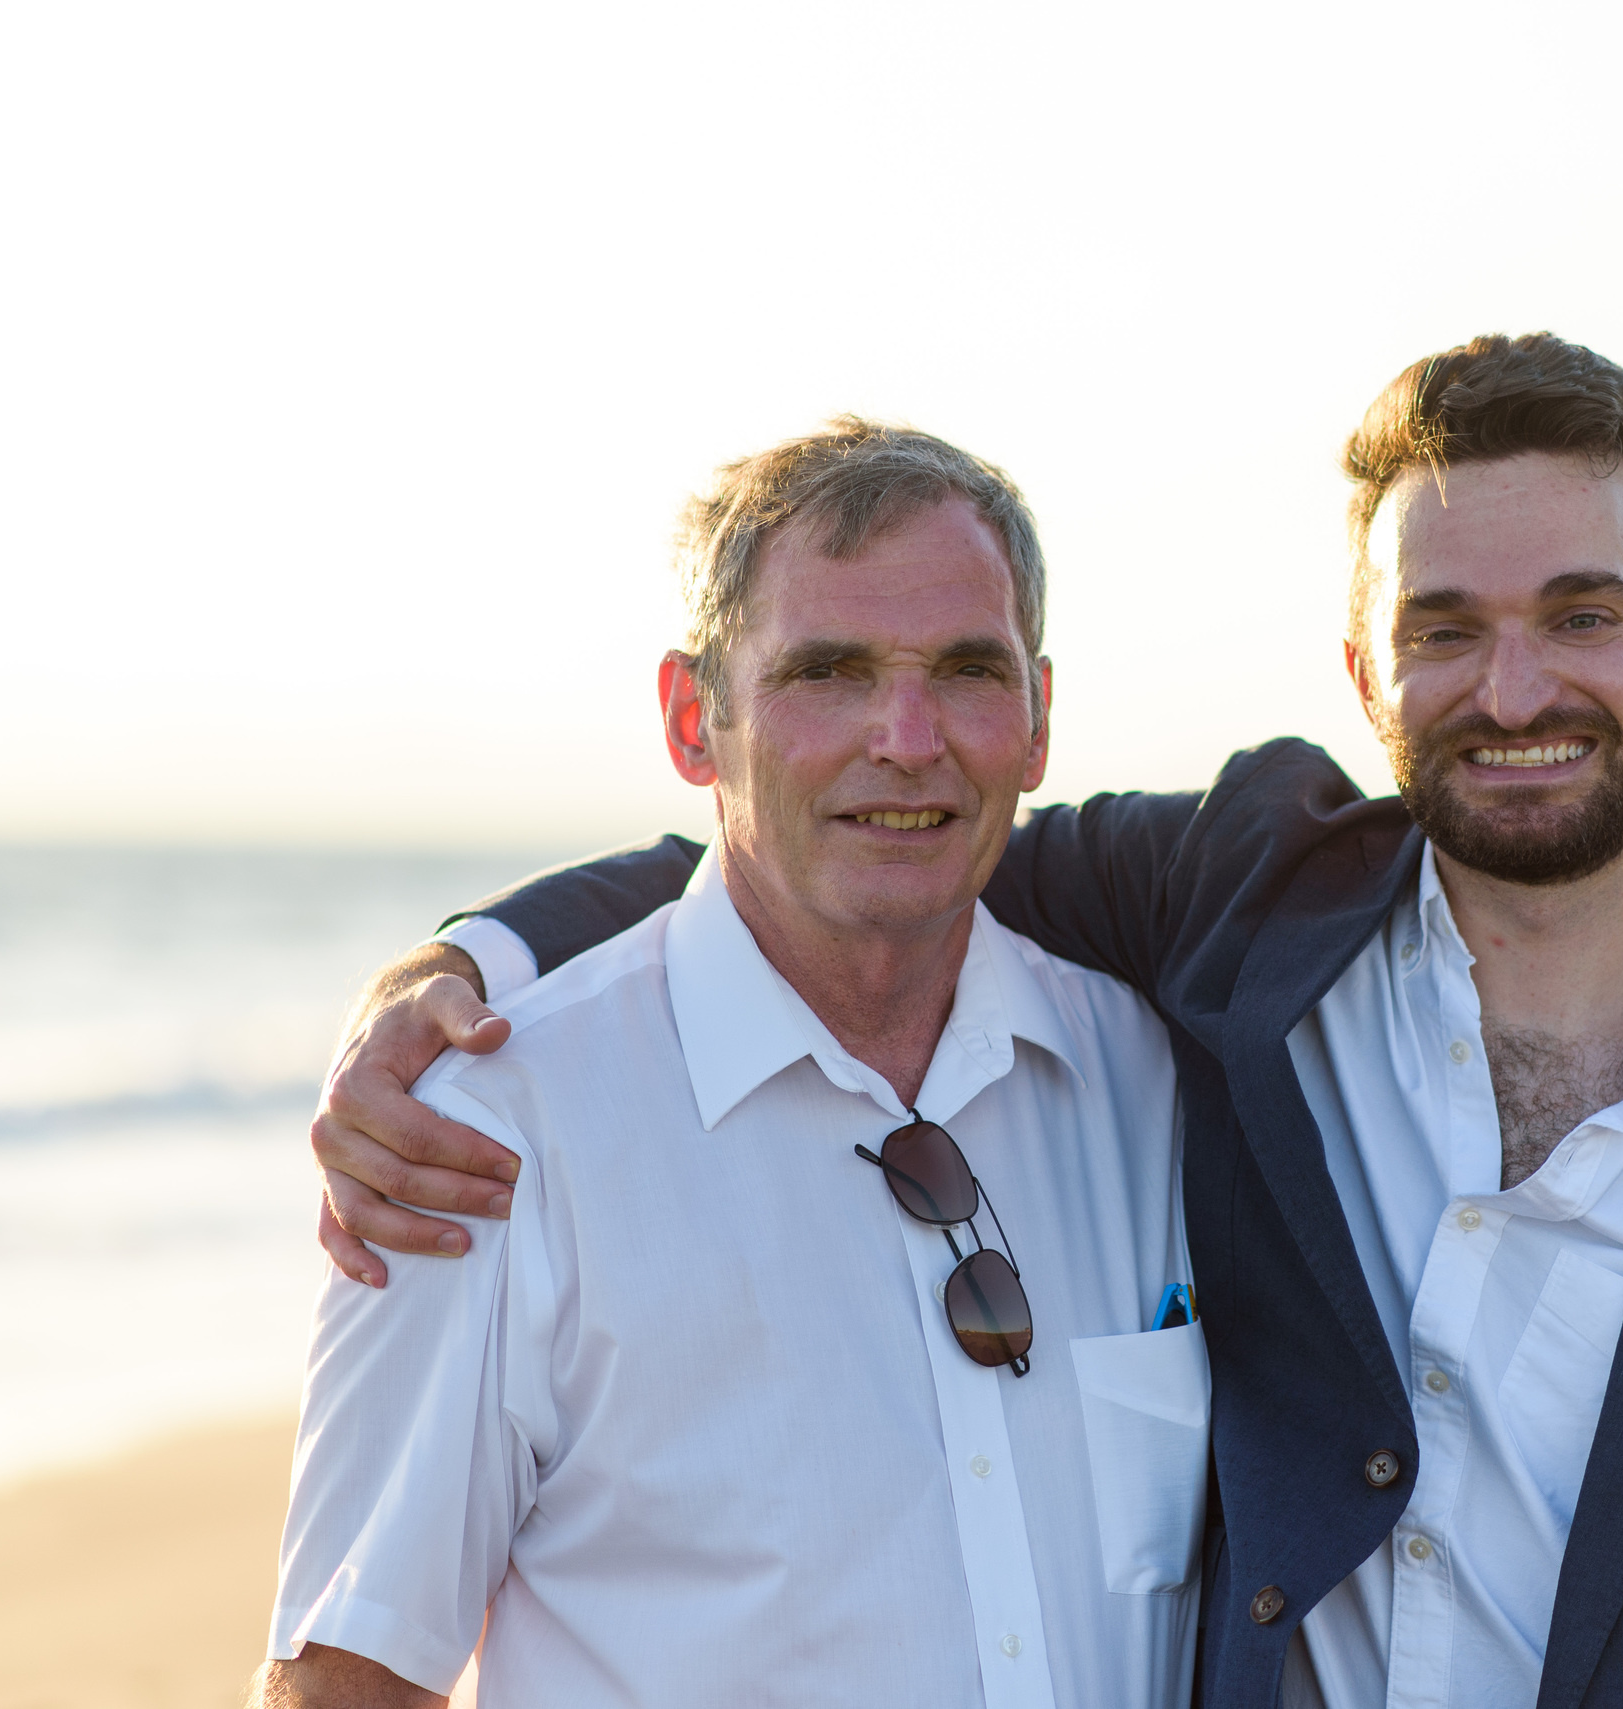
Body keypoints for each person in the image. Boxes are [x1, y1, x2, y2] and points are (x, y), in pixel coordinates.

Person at [318, 334, 1623, 1705]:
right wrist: (465, 965)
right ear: (1368, 671)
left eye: (1582, 616)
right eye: (1444, 626)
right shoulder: (1236, 920)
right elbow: (838, 848)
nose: (1515, 687)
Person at [257, 424, 1215, 1707]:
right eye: (829, 669)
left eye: (967, 670)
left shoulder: (1153, 1078)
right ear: (692, 718)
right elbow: (345, 1680)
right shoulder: (487, 1134)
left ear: (1037, 723)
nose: (908, 733)